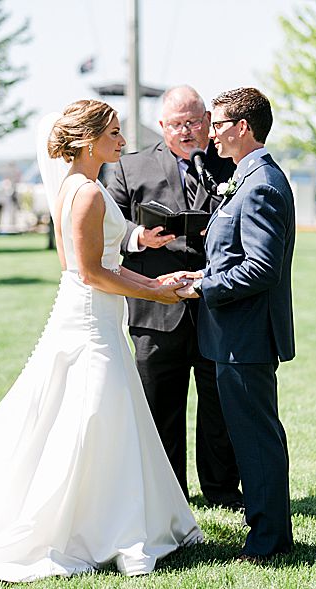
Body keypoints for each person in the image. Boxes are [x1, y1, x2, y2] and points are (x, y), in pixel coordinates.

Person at [0, 100, 202, 582]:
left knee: (93, 413)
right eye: (114, 132)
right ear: (87, 140)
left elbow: (86, 251)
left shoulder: (75, 187)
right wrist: (157, 289)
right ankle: (99, 527)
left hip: (89, 316)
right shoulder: (88, 193)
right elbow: (90, 272)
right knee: (96, 415)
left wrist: (140, 243)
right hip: (92, 323)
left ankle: (108, 516)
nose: (121, 140)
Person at [167, 87, 296, 561]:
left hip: (245, 337)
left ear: (243, 127)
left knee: (256, 440)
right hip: (234, 335)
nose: (209, 133)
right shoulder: (245, 178)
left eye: (217, 124)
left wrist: (204, 289)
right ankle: (269, 531)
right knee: (253, 437)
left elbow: (262, 269)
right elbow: (236, 256)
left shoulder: (260, 183)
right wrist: (201, 273)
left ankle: (269, 542)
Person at [105, 85, 242, 510]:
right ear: (161, 125)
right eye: (177, 124)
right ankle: (169, 497)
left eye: (195, 121)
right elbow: (111, 227)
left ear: (208, 121)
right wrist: (138, 237)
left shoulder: (230, 164)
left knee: (219, 404)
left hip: (214, 305)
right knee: (159, 407)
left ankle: (221, 492)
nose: (187, 130)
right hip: (154, 307)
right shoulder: (131, 167)